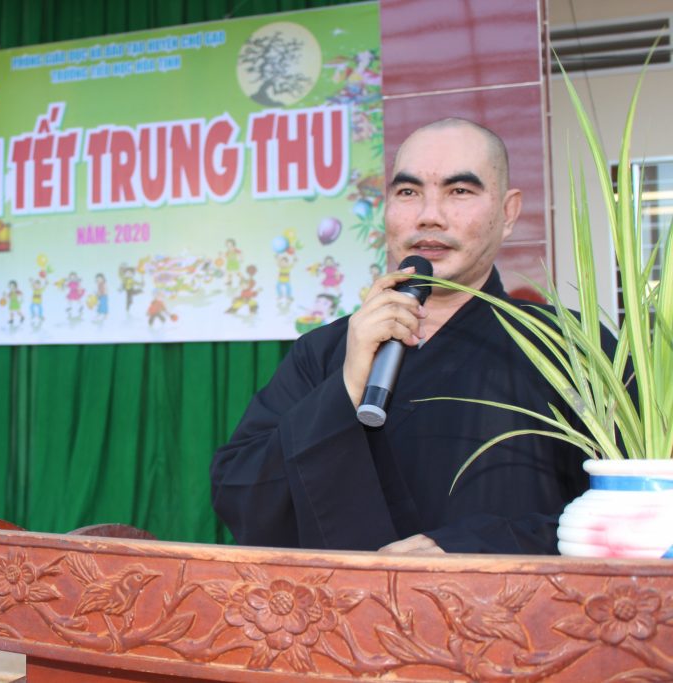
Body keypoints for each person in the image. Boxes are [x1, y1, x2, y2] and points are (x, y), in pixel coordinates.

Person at [211, 118, 592, 555]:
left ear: (508, 213)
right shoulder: (324, 351)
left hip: (501, 598)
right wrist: (345, 388)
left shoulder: (569, 349)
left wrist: (472, 547)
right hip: (347, 598)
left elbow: (632, 509)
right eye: (408, 192)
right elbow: (241, 494)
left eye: (459, 191)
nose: (429, 215)